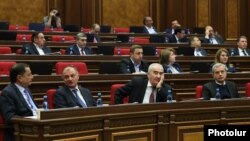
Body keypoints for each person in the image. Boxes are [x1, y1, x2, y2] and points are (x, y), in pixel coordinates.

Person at [0, 63, 37, 141]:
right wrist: (31, 119)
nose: (32, 77)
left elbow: (34, 109)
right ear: (20, 78)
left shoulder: (26, 89)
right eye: (29, 75)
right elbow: (10, 117)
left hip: (36, 127)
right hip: (20, 133)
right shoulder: (7, 92)